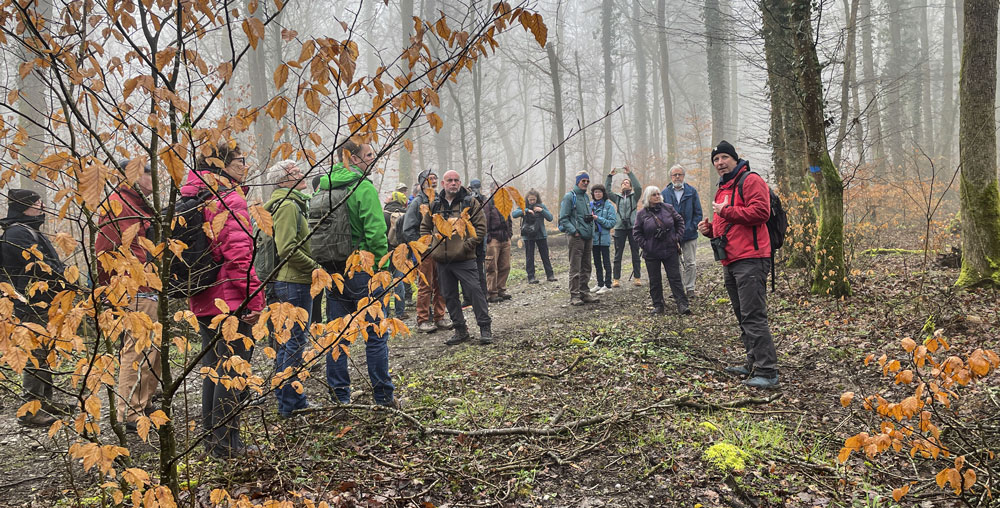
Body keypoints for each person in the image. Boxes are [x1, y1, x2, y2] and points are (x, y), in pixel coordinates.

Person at [182, 142, 265, 457]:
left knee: (215, 368)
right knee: (234, 370)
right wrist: (254, 300)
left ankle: (216, 442)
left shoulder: (194, 194)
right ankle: (227, 446)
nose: (245, 165)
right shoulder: (227, 198)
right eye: (241, 159)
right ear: (223, 165)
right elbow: (239, 257)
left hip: (202, 295)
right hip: (230, 298)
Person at [316, 139, 397, 406]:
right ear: (351, 158)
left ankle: (340, 397)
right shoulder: (363, 188)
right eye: (368, 154)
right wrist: (382, 269)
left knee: (337, 336)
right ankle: (383, 397)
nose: (373, 159)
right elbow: (376, 234)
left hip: (333, 272)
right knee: (375, 336)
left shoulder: (323, 187)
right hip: (363, 270)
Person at [697, 141, 779, 389]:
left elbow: (761, 213)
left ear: (734, 158)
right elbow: (727, 223)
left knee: (753, 315)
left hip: (751, 258)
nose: (720, 163)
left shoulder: (750, 180)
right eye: (716, 160)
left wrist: (727, 211)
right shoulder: (723, 187)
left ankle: (768, 372)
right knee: (742, 315)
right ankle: (752, 363)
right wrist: (709, 230)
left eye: (724, 157)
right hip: (731, 259)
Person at [96, 161, 160, 432]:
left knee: (151, 352)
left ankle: (142, 405)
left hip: (150, 289)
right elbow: (104, 253)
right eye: (149, 173)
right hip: (132, 291)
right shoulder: (118, 205)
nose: (154, 179)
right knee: (136, 352)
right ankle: (128, 413)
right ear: (133, 177)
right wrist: (112, 290)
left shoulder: (142, 206)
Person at [1, 190, 70, 427]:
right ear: (26, 205)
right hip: (30, 302)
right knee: (35, 353)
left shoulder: (27, 229)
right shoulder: (17, 232)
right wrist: (63, 276)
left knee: (45, 350)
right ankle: (28, 410)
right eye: (37, 202)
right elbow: (38, 266)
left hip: (43, 299)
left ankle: (44, 401)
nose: (42, 205)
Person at [263, 159, 319, 417]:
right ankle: (291, 405)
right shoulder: (286, 205)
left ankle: (291, 400)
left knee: (287, 342)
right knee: (293, 343)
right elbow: (287, 248)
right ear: (283, 181)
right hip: (293, 282)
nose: (301, 173)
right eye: (295, 172)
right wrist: (315, 267)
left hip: (287, 281)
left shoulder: (287, 203)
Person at [420, 170, 492, 345]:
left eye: (456, 180)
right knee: (449, 296)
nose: (453, 183)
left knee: (475, 292)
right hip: (442, 261)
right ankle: (460, 330)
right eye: (450, 180)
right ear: (443, 184)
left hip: (465, 260)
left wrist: (466, 246)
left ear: (460, 183)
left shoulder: (470, 202)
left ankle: (485, 328)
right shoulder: (434, 204)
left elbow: (481, 228)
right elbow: (424, 228)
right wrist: (431, 248)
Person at [401, 170, 451, 333]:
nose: (434, 181)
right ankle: (422, 320)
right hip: (426, 252)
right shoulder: (417, 203)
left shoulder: (440, 200)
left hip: (441, 250)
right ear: (422, 183)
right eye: (430, 179)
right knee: (425, 286)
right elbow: (408, 229)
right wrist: (423, 248)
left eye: (436, 178)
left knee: (441, 284)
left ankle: (440, 317)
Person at [634, 186, 690, 315]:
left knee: (675, 278)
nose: (657, 196)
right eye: (654, 194)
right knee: (654, 280)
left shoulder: (668, 208)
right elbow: (636, 233)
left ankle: (682, 304)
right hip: (651, 253)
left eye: (658, 194)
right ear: (648, 197)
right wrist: (646, 245)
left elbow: (680, 222)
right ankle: (658, 305)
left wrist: (676, 238)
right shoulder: (641, 214)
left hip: (670, 250)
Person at [559, 171, 600, 306]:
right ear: (578, 181)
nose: (586, 183)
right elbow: (563, 218)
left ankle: (585, 292)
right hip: (576, 237)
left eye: (587, 181)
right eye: (583, 181)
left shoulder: (587, 197)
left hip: (588, 237)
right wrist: (574, 231)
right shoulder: (569, 197)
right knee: (575, 267)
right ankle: (574, 295)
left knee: (587, 266)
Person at [662, 165, 703, 298]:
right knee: (675, 264)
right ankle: (678, 290)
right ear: (671, 177)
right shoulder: (665, 193)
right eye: (675, 175)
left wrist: (692, 226)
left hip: (690, 234)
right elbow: (661, 214)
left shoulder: (692, 191)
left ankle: (690, 288)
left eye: (679, 174)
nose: (677, 177)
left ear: (684, 176)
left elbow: (698, 213)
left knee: (690, 262)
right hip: (671, 235)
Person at [605, 167, 642, 287]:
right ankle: (616, 279)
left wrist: (630, 174)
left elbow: (639, 188)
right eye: (623, 183)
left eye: (627, 183)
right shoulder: (617, 198)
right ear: (621, 186)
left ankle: (637, 277)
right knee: (618, 254)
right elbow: (607, 191)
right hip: (620, 227)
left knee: (635, 253)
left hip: (633, 227)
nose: (625, 184)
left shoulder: (634, 197)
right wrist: (610, 177)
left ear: (630, 186)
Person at [512, 189, 556, 283]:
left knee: (545, 256)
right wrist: (526, 210)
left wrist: (541, 210)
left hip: (541, 235)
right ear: (527, 199)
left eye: (534, 199)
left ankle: (550, 275)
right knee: (529, 256)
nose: (532, 201)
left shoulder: (541, 206)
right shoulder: (524, 206)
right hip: (528, 235)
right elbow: (514, 214)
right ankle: (531, 277)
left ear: (537, 199)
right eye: (530, 199)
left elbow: (550, 218)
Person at [484, 184, 512, 303]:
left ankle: (501, 289)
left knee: (505, 265)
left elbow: (509, 219)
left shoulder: (505, 202)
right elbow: (484, 221)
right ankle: (492, 292)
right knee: (491, 266)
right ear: (491, 190)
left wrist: (509, 234)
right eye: (495, 188)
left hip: (505, 238)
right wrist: (488, 237)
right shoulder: (488, 204)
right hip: (493, 238)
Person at [383, 189, 409, 319]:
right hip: (399, 253)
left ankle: (385, 313)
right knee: (399, 282)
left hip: (385, 253)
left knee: (385, 285)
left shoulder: (383, 214)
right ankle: (400, 312)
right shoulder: (405, 215)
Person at [589, 184, 617, 294]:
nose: (597, 194)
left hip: (604, 238)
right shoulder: (590, 205)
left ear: (603, 193)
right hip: (593, 238)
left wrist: (598, 218)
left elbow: (612, 222)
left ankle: (608, 284)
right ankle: (599, 283)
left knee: (606, 262)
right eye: (595, 192)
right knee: (596, 262)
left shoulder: (608, 206)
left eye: (599, 192)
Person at [466, 178, 488, 299]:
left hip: (478, 241)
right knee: (469, 271)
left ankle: (483, 295)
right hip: (468, 240)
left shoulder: (484, 200)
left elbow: (483, 223)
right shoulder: (466, 200)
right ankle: (470, 298)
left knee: (479, 269)